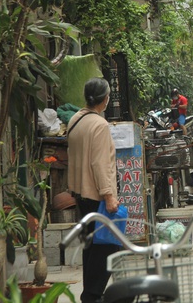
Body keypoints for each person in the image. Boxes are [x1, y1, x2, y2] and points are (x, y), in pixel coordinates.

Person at [67, 78, 119, 303]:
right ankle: (93, 295)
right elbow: (100, 163)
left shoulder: (75, 119)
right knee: (107, 246)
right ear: (105, 99)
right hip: (96, 195)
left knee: (91, 246)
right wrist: (108, 196)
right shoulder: (99, 125)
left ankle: (90, 294)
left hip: (80, 193)